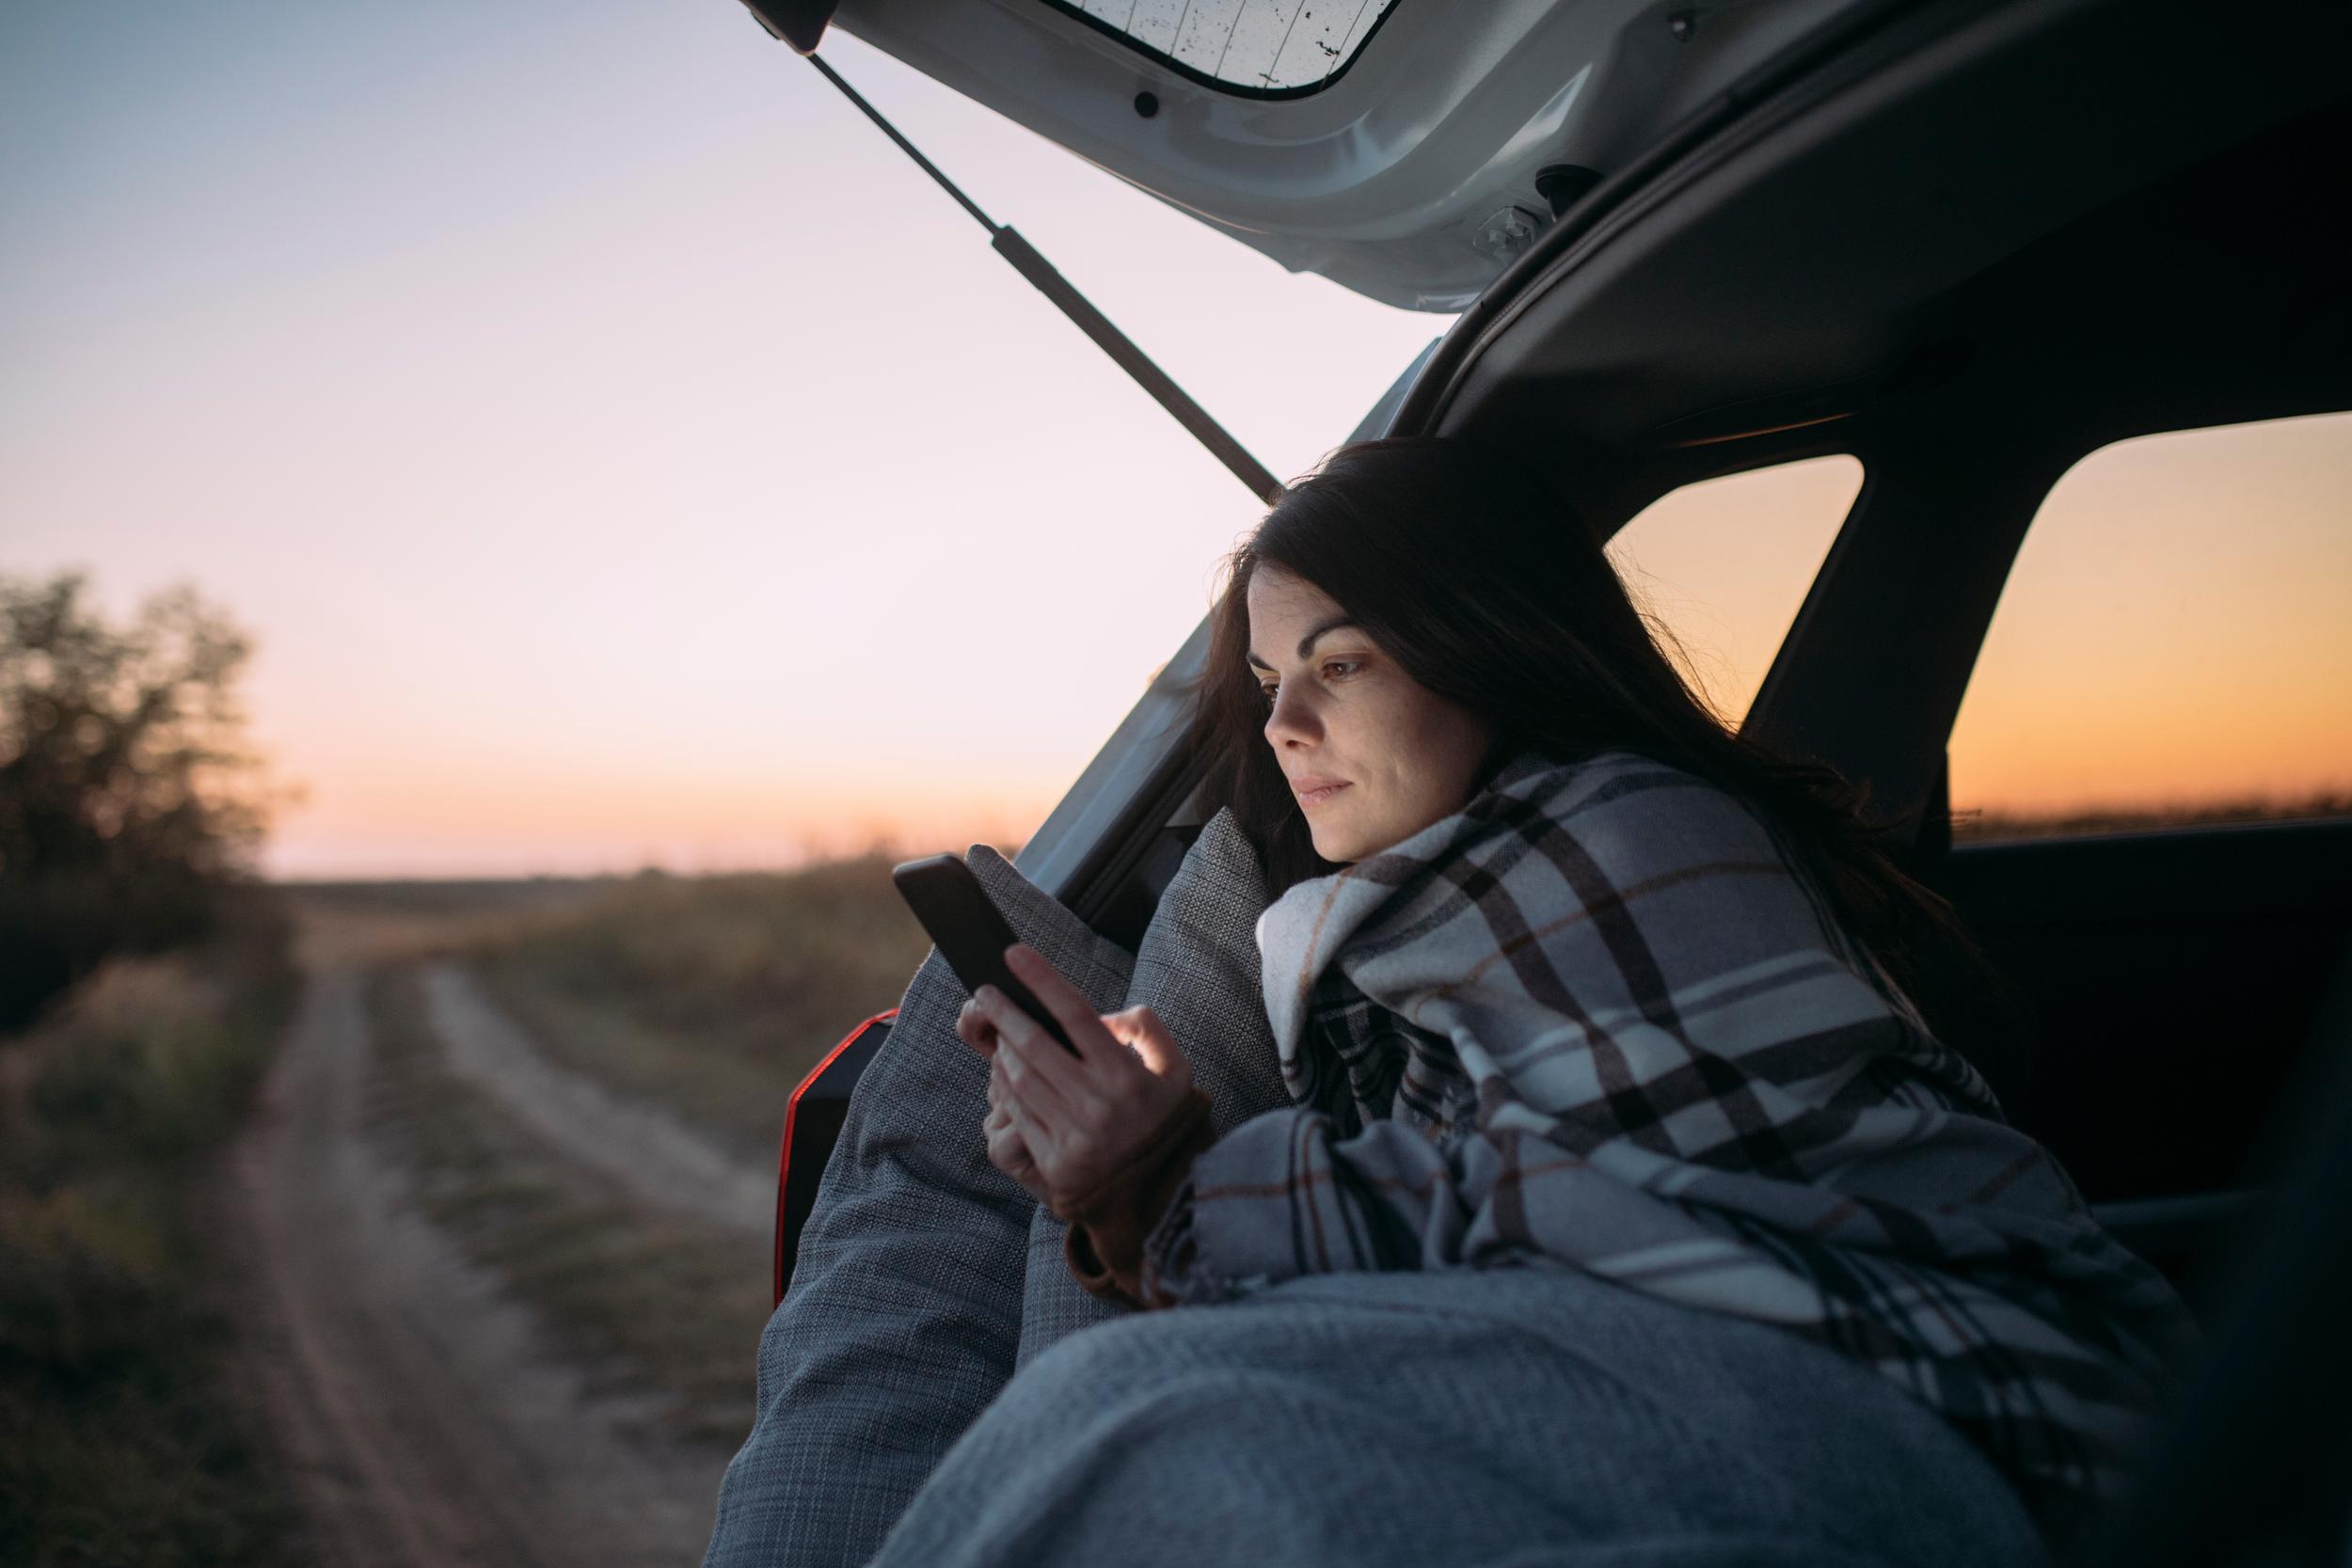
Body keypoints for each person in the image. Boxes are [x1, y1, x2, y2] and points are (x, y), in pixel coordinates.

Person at [889, 436, 2200, 1567]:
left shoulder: (1635, 834)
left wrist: (1165, 1190)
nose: (1284, 722)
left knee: (1138, 1434)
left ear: (1484, 647)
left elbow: (1617, 1213)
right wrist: (1123, 1178)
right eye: (1271, 676)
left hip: (1905, 1389)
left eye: (1340, 665)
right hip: (1667, 1380)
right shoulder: (1384, 900)